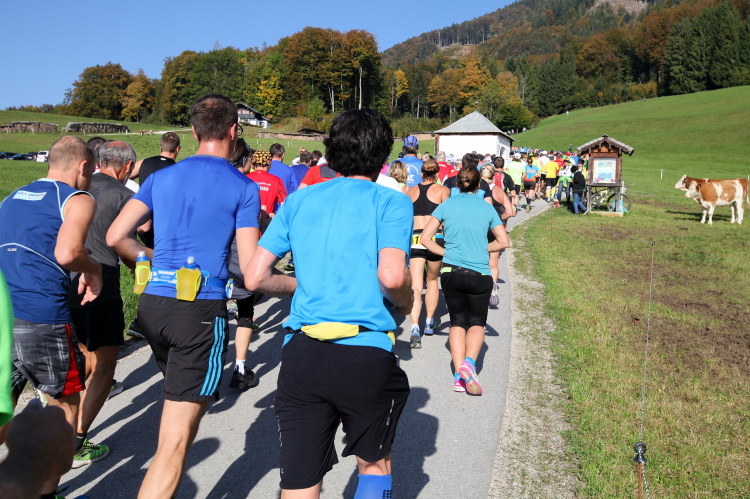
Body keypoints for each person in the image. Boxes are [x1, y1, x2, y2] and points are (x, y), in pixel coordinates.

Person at [244, 108, 413, 499]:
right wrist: (406, 301)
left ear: (332, 152)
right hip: (364, 350)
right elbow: (392, 277)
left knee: (300, 480)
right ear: (382, 156)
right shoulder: (392, 201)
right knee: (374, 465)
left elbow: (255, 277)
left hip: (302, 352)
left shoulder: (301, 200)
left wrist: (298, 285)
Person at [107, 94, 261, 498]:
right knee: (175, 442)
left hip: (152, 307)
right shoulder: (244, 187)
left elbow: (116, 236)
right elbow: (249, 269)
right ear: (234, 131)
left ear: (193, 132)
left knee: (180, 415)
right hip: (199, 312)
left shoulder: (160, 178)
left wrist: (152, 258)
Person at [0, 136, 105, 495]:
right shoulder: (77, 198)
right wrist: (95, 269)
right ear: (84, 166)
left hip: (4, 314)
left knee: (3, 405)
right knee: (64, 409)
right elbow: (67, 253)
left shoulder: (13, 196)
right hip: (43, 316)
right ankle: (45, 493)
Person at [67, 141, 142, 467]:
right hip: (101, 283)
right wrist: (141, 270)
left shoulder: (77, 187)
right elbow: (128, 245)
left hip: (69, 280)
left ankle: (61, 422)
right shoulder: (124, 196)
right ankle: (77, 440)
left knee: (85, 353)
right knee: (106, 364)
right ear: (126, 167)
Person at [421, 167, 510, 395]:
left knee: (457, 322)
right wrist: (481, 249)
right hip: (479, 273)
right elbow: (503, 242)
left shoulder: (447, 205)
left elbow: (425, 239)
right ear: (479, 184)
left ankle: (458, 377)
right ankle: (469, 364)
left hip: (452, 272)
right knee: (477, 323)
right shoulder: (486, 208)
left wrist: (447, 253)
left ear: (457, 183)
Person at [406, 159, 450, 348]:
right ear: (437, 174)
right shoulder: (443, 190)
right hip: (434, 238)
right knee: (432, 281)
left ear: (421, 173)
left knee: (416, 285)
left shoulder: (410, 191)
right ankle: (430, 323)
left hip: (415, 238)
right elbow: (448, 216)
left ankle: (414, 327)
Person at [246, 149, 287, 233]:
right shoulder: (276, 180)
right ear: (269, 163)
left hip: (247, 226)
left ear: (253, 163)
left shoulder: (245, 178)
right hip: (266, 226)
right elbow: (285, 204)